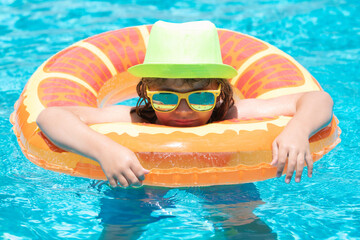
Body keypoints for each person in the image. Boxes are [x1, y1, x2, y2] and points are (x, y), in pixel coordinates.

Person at [36, 20, 334, 188]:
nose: (183, 111)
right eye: (165, 98)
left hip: (223, 180)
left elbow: (317, 99)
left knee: (244, 222)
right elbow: (52, 115)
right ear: (147, 93)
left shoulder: (231, 114)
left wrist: (297, 130)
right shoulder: (137, 118)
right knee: (121, 227)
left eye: (201, 98)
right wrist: (104, 149)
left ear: (219, 94)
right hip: (143, 183)